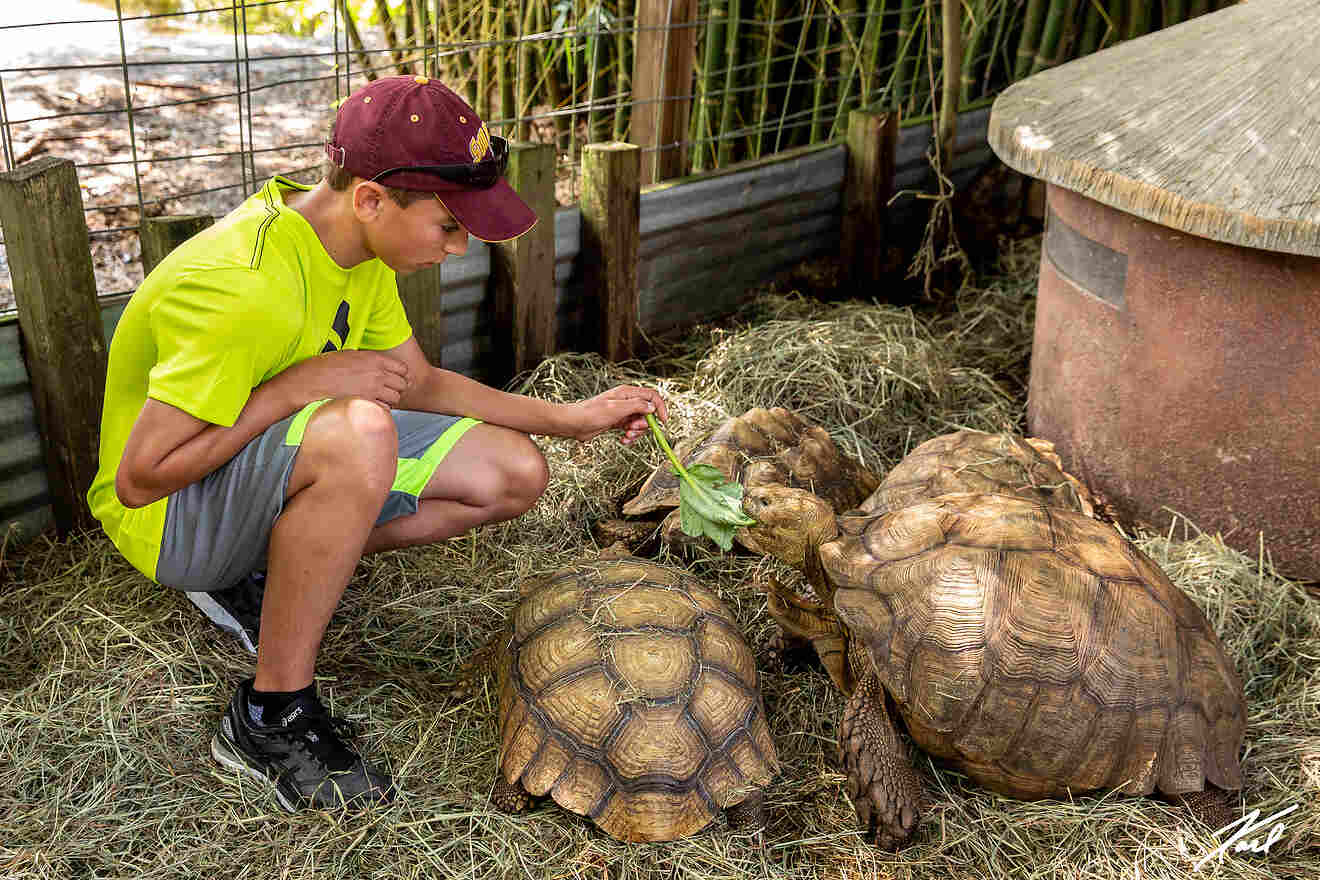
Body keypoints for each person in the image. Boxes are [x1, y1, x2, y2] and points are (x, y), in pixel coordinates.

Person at [86, 75, 668, 813]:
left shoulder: (354, 252)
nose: (458, 250)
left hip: (245, 465)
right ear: (369, 199)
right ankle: (269, 715)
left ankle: (275, 570)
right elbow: (142, 479)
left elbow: (417, 381)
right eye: (448, 226)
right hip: (171, 523)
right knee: (360, 430)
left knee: (512, 472)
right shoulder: (245, 286)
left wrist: (568, 417)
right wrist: (296, 388)